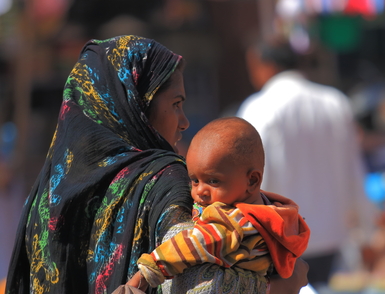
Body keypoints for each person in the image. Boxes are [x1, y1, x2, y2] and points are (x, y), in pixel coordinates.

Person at [6, 35, 309, 294]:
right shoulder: (165, 179)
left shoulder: (50, 193)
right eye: (176, 104)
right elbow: (199, 285)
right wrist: (281, 286)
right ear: (137, 107)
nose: (184, 122)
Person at [237, 37, 375, 287]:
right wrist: (367, 234)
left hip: (282, 242)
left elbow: (251, 183)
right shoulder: (335, 102)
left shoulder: (259, 109)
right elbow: (354, 171)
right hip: (332, 235)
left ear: (265, 66)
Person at [124, 117, 310, 291]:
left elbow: (193, 244)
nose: (199, 191)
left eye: (213, 181)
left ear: (252, 181)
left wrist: (146, 273)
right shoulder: (268, 210)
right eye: (194, 180)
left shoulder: (233, 222)